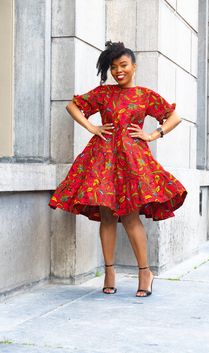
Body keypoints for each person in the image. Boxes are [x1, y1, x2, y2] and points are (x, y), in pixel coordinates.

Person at [48, 40, 187, 297]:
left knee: (131, 217)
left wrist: (154, 134)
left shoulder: (145, 95)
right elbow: (72, 106)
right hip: (103, 160)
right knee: (108, 216)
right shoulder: (103, 94)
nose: (118, 71)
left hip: (132, 161)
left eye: (123, 65)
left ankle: (145, 272)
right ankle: (110, 272)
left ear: (134, 66)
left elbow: (173, 117)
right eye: (113, 67)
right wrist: (92, 128)